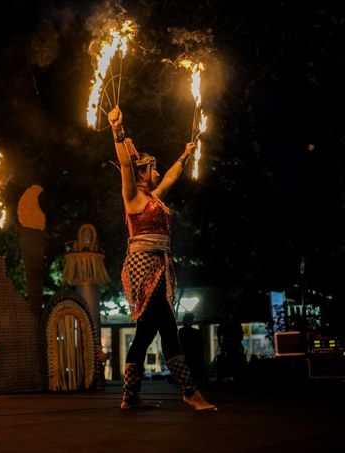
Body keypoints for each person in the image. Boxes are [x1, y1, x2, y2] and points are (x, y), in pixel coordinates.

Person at [108, 105, 216, 411]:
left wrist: (185, 154)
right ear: (142, 172)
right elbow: (126, 166)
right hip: (143, 268)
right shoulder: (133, 197)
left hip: (160, 264)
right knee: (168, 326)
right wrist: (118, 131)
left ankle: (130, 396)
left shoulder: (155, 198)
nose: (158, 172)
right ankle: (189, 390)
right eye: (152, 167)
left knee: (145, 334)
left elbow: (171, 176)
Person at [178, 312, 206, 384]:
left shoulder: (181, 332)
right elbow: (201, 344)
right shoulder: (195, 332)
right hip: (193, 355)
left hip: (186, 354)